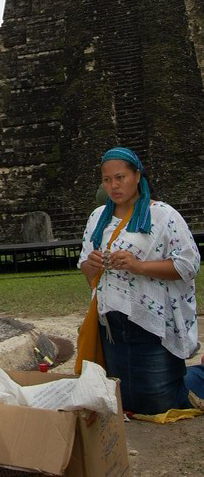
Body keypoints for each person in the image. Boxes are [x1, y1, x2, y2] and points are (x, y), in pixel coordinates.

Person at [78, 146, 203, 414]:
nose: (114, 186)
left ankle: (200, 377)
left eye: (120, 177)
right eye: (107, 179)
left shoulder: (163, 216)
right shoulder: (97, 218)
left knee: (158, 402)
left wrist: (139, 266)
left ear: (137, 175)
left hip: (150, 322)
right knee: (127, 400)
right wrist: (93, 264)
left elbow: (188, 264)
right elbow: (87, 269)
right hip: (112, 322)